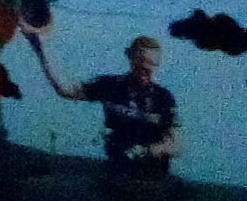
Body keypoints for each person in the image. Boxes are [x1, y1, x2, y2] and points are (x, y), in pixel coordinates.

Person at [28, 31, 181, 173]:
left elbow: (176, 145)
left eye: (151, 64)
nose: (146, 69)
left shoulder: (163, 98)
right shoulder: (111, 86)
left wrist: (151, 150)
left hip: (152, 174)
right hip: (117, 168)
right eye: (141, 62)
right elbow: (65, 89)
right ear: (130, 57)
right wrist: (40, 48)